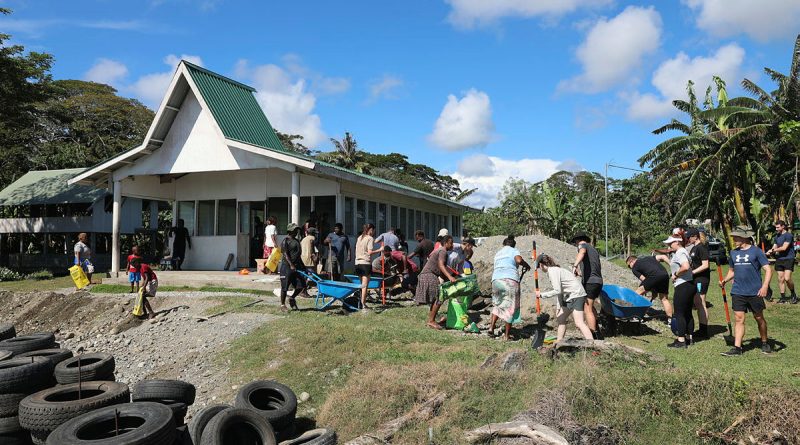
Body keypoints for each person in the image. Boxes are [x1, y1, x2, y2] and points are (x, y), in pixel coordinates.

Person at [720, 230, 773, 356]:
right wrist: (725, 280)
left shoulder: (756, 251)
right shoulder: (733, 253)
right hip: (738, 291)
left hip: (755, 291)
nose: (734, 241)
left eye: (736, 238)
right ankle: (737, 348)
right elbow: (732, 270)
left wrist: (764, 286)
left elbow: (768, 269)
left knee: (759, 317)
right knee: (739, 318)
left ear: (743, 238)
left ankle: (764, 341)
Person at [536, 254, 594, 342]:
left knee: (579, 322)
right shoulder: (554, 271)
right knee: (561, 319)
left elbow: (557, 290)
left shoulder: (552, 271)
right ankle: (559, 342)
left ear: (541, 264)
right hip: (569, 296)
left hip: (576, 294)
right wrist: (559, 307)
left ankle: (592, 344)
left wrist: (541, 295)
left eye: (539, 267)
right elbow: (560, 291)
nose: (540, 269)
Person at [655, 235, 694, 348]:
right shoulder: (683, 251)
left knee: (679, 313)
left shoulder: (680, 252)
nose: (669, 245)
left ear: (677, 242)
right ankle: (689, 337)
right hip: (689, 284)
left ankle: (681, 340)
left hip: (683, 285)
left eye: (671, 243)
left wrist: (676, 274)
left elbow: (685, 266)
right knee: (687, 312)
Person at [488, 236, 530, 340]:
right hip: (509, 280)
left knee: (498, 304)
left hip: (496, 280)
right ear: (513, 245)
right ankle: (506, 336)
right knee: (510, 307)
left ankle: (491, 328)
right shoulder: (513, 250)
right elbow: (519, 260)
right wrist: (526, 265)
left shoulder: (498, 253)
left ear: (504, 244)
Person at [414, 234, 457, 330]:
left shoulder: (440, 251)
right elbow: (441, 266)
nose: (452, 245)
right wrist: (450, 277)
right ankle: (431, 321)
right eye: (451, 243)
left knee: (436, 299)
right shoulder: (443, 251)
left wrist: (449, 280)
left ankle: (431, 320)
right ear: (446, 243)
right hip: (429, 275)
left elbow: (441, 271)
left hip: (427, 275)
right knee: (439, 297)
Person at [570, 232, 603, 339]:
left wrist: (575, 266)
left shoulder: (582, 245)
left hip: (591, 282)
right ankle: (598, 331)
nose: (576, 245)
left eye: (575, 243)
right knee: (591, 306)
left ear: (578, 240)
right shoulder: (593, 250)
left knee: (587, 308)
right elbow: (593, 267)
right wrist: (580, 273)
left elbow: (582, 252)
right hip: (598, 281)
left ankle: (593, 336)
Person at [626, 255, 673, 320]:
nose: (630, 268)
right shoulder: (649, 257)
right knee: (664, 299)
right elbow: (663, 256)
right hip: (665, 275)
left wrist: (651, 289)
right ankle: (671, 320)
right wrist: (672, 266)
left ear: (631, 261)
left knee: (636, 294)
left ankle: (634, 315)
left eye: (629, 266)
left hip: (653, 276)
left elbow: (644, 279)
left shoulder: (634, 267)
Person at [686, 228, 710, 338]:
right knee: (697, 303)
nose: (687, 239)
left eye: (689, 237)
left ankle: (703, 331)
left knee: (701, 303)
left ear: (695, 236)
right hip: (695, 278)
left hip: (701, 279)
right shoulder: (694, 248)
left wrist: (693, 272)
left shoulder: (702, 247)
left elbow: (705, 265)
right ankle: (701, 329)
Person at [766, 220, 796, 304]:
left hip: (788, 258)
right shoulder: (777, 236)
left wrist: (772, 250)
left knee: (787, 278)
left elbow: (784, 248)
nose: (776, 229)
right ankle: (783, 298)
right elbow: (774, 246)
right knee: (780, 279)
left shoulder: (788, 235)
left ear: (783, 226)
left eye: (778, 227)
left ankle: (793, 294)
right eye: (776, 227)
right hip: (779, 259)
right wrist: (769, 251)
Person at [279, 223, 307, 312]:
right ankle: (282, 305)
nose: (296, 231)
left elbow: (298, 256)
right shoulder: (285, 241)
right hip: (287, 267)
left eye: (297, 230)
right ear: (290, 231)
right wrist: (291, 265)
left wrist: (303, 267)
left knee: (301, 285)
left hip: (296, 266)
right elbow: (285, 254)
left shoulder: (297, 241)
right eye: (295, 230)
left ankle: (292, 298)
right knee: (285, 287)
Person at [355, 223, 382, 309]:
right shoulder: (370, 238)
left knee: (361, 285)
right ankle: (363, 304)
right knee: (365, 286)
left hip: (357, 263)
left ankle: (360, 303)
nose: (374, 232)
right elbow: (370, 252)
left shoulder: (359, 237)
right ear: (371, 230)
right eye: (374, 230)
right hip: (365, 263)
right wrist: (380, 250)